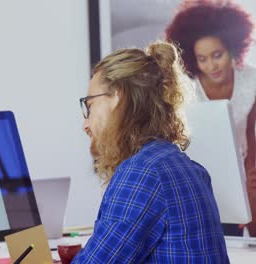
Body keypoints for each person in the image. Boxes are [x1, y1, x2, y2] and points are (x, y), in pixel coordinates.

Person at [72, 41, 228, 263]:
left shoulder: (142, 173)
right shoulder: (185, 166)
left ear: (117, 97)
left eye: (89, 106)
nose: (85, 124)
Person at [165, 0, 256, 236]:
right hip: (203, 177)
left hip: (244, 170)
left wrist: (248, 185)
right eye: (202, 59)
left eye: (217, 55)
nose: (211, 65)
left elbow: (250, 135)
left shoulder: (251, 80)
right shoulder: (188, 91)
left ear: (233, 48)